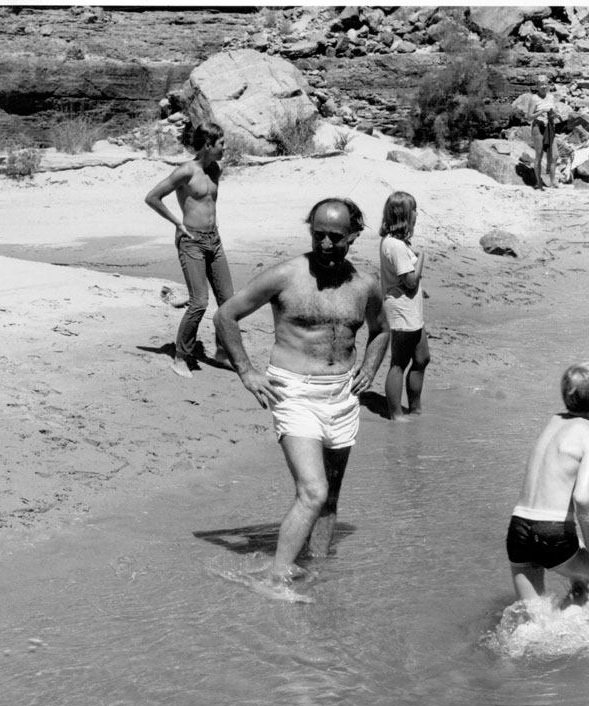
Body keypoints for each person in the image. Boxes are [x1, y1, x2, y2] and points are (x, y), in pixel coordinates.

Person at [213, 198, 389, 583]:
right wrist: (246, 371)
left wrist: (369, 370)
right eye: (319, 235)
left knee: (330, 495)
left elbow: (382, 330)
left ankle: (317, 569)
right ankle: (277, 577)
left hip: (341, 396)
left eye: (336, 238)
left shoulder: (365, 285)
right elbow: (226, 315)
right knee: (313, 490)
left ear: (353, 236)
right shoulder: (285, 275)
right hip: (292, 391)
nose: (325, 245)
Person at [506, 361, 589, 608]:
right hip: (552, 532)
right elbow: (582, 497)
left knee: (534, 615)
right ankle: (570, 640)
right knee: (588, 581)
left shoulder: (555, 419)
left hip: (518, 529)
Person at [145, 121, 234, 378]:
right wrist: (176, 222)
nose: (225, 148)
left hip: (214, 240)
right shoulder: (185, 172)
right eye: (221, 144)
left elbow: (207, 203)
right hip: (191, 241)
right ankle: (180, 358)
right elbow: (152, 197)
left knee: (228, 301)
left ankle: (221, 350)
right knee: (199, 302)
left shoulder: (215, 169)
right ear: (208, 145)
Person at [379, 191, 430, 421]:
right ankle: (396, 414)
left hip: (411, 310)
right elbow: (410, 282)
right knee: (399, 362)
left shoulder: (398, 243)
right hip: (401, 311)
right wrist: (421, 259)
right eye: (415, 210)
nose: (417, 214)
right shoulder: (396, 246)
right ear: (405, 216)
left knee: (422, 359)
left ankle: (416, 408)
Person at [527, 74, 557, 191]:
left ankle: (552, 182)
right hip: (538, 127)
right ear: (537, 86)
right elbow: (529, 117)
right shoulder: (534, 98)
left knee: (555, 155)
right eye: (541, 84)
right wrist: (541, 112)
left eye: (545, 84)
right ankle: (539, 182)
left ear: (548, 85)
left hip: (550, 126)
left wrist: (554, 113)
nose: (543, 86)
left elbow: (555, 111)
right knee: (539, 155)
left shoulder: (551, 97)